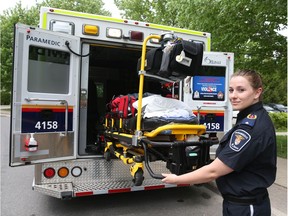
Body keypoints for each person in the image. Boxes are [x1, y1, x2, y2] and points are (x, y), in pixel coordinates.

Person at [162, 69, 277, 216]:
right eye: (231, 90)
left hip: (247, 208)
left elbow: (213, 172)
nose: (233, 96)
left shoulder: (251, 128)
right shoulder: (249, 118)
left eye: (241, 90)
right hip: (238, 204)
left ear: (257, 92)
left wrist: (177, 179)